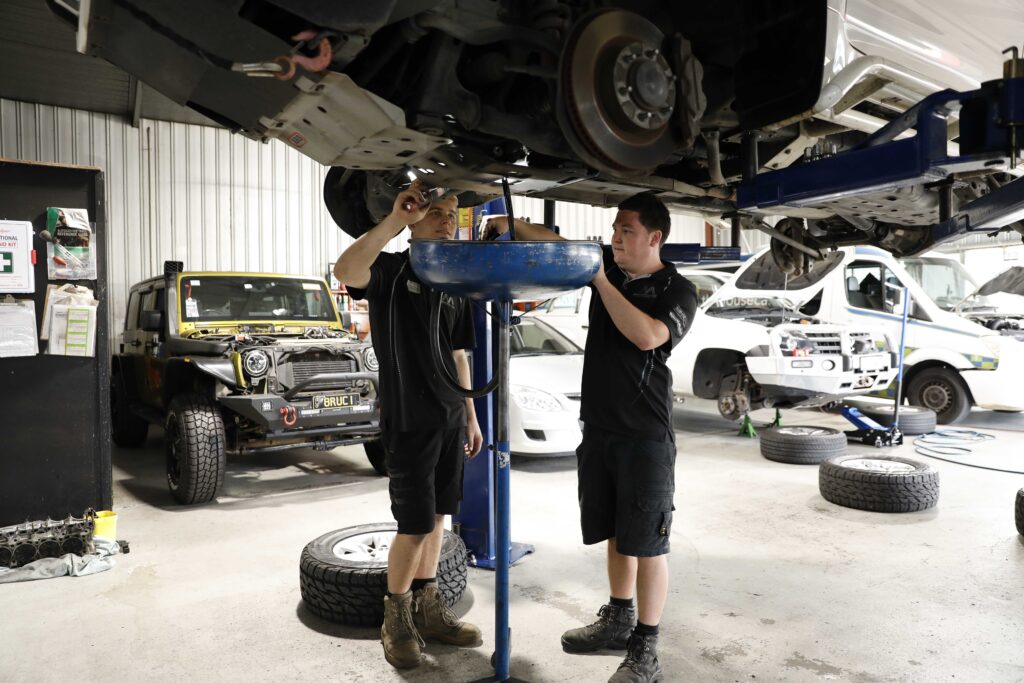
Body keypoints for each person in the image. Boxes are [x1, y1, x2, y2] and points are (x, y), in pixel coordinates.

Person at [483, 193, 698, 683]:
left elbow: (647, 336)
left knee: (648, 543)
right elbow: (559, 244)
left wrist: (600, 280)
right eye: (614, 228)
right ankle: (618, 619)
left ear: (653, 238)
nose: (615, 237)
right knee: (617, 532)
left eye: (625, 229)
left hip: (646, 437)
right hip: (599, 431)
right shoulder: (605, 265)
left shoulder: (677, 289)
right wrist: (508, 222)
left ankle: (647, 648)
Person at [334, 181, 485, 670]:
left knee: (439, 518)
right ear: (415, 218)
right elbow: (346, 270)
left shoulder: (456, 283)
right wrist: (395, 219)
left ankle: (428, 609)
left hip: (448, 418)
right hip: (409, 421)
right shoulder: (393, 271)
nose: (447, 220)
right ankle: (395, 619)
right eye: (436, 212)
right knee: (415, 525)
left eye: (452, 213)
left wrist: (470, 414)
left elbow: (459, 354)